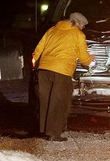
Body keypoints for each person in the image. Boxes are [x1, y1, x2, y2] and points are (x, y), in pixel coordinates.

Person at [32, 12, 94, 141]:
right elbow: (83, 56)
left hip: (44, 70)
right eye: (82, 25)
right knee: (59, 102)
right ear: (78, 23)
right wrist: (91, 61)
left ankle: (46, 130)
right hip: (62, 71)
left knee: (46, 101)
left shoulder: (52, 29)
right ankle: (54, 133)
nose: (83, 28)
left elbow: (39, 48)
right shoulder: (78, 34)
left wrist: (35, 62)